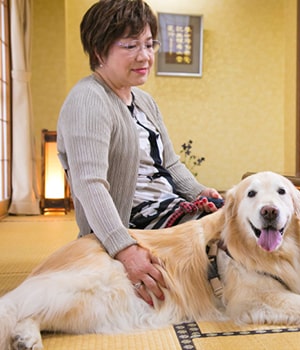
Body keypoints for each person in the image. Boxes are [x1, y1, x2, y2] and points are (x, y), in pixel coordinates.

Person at [57, 0, 222, 307]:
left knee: (239, 219)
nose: (145, 56)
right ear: (98, 51)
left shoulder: (144, 100)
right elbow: (89, 185)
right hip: (133, 222)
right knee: (227, 248)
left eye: (149, 44)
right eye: (131, 45)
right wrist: (124, 249)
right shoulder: (89, 101)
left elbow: (170, 163)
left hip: (170, 206)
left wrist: (199, 192)